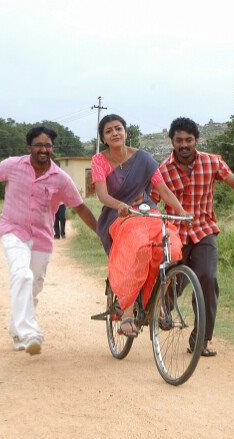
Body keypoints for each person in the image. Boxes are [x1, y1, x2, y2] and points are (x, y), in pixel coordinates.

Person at [0, 126, 98, 355]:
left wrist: (102, 233)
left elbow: (80, 207)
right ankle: (29, 332)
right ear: (29, 147)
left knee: (33, 287)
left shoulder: (60, 178)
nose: (43, 149)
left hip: (42, 237)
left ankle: (17, 331)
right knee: (22, 275)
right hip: (12, 230)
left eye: (48, 145)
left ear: (52, 149)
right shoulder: (12, 165)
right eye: (38, 144)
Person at [153, 117, 234, 357]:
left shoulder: (212, 162)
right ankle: (163, 310)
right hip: (175, 233)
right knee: (172, 285)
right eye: (179, 140)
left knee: (208, 278)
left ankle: (202, 338)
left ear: (196, 140)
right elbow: (151, 200)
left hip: (203, 231)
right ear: (172, 142)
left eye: (189, 140)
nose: (184, 145)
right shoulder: (162, 170)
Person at [92, 114, 188, 338]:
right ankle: (126, 312)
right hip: (119, 216)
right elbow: (102, 195)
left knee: (171, 248)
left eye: (118, 128)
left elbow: (162, 189)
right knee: (139, 248)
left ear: (126, 132)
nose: (115, 133)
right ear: (104, 138)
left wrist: (181, 211)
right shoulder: (99, 160)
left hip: (147, 212)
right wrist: (121, 205)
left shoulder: (143, 158)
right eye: (109, 131)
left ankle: (159, 304)